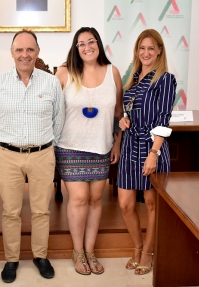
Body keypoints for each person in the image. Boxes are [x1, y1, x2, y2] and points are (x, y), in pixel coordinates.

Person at [0, 29, 65, 283]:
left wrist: (45, 144)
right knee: (11, 211)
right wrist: (4, 148)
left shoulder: (51, 82)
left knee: (41, 211)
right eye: (19, 49)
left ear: (38, 52)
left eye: (30, 49)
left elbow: (59, 119)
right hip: (8, 155)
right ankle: (12, 259)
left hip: (42, 154)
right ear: (11, 53)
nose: (24, 54)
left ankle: (40, 256)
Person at [55, 27, 123, 275]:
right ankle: (78, 251)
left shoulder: (112, 72)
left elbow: (118, 114)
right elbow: (51, 109)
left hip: (101, 146)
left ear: (98, 44)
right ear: (76, 47)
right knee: (80, 198)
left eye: (91, 41)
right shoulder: (64, 73)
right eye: (81, 43)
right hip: (69, 146)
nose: (87, 47)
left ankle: (90, 250)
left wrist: (116, 143)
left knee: (96, 200)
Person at [118, 29, 176, 275]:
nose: (146, 53)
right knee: (125, 204)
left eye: (151, 48)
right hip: (130, 144)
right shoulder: (132, 78)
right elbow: (127, 110)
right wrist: (123, 120)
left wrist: (154, 153)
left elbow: (164, 117)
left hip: (152, 146)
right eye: (142, 48)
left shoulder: (165, 79)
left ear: (160, 50)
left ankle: (149, 252)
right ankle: (137, 245)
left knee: (152, 204)